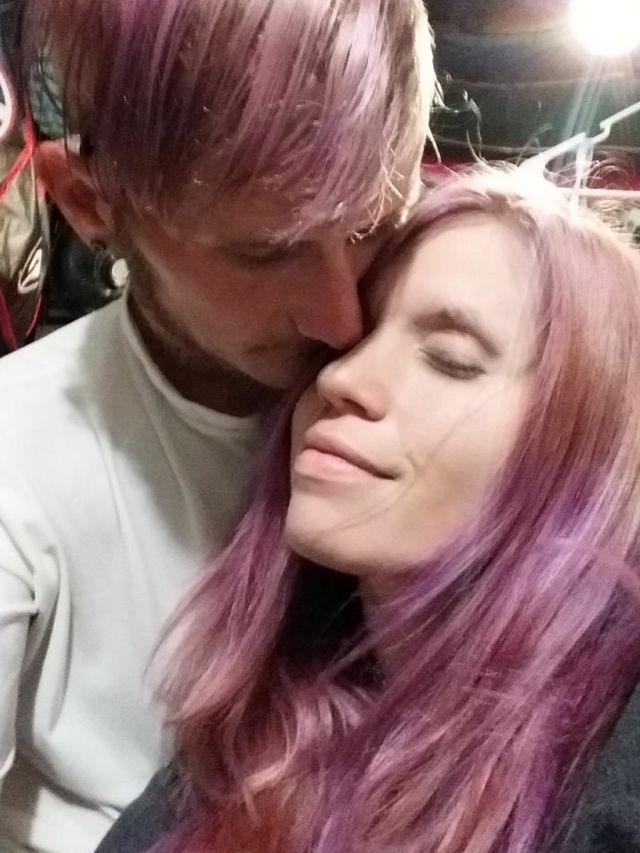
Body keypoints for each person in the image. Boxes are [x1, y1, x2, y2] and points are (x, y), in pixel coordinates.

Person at [95, 166, 640, 853]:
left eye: (448, 359)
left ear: (584, 451)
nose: (341, 378)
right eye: (348, 343)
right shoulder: (267, 725)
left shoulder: (610, 768)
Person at [0, 1, 436, 851]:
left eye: (375, 227)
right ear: (88, 203)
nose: (342, 319)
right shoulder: (17, 461)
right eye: (265, 252)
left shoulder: (448, 405)